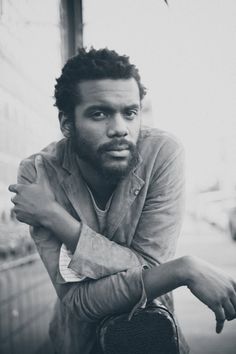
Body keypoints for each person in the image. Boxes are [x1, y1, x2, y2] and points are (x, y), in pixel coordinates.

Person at [9, 48, 236, 354]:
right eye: (99, 113)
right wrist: (172, 273)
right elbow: (79, 302)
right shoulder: (39, 174)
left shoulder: (161, 155)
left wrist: (53, 216)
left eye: (130, 112)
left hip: (152, 338)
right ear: (66, 123)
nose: (120, 128)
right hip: (76, 343)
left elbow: (153, 266)